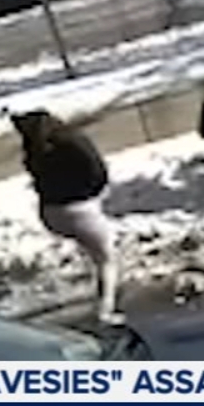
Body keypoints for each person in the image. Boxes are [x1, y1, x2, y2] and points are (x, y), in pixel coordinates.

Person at [10, 110, 123, 326]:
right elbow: (97, 170)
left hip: (51, 213)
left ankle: (88, 281)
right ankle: (104, 312)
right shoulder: (73, 140)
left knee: (89, 245)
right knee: (107, 259)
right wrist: (94, 191)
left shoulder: (34, 148)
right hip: (80, 212)